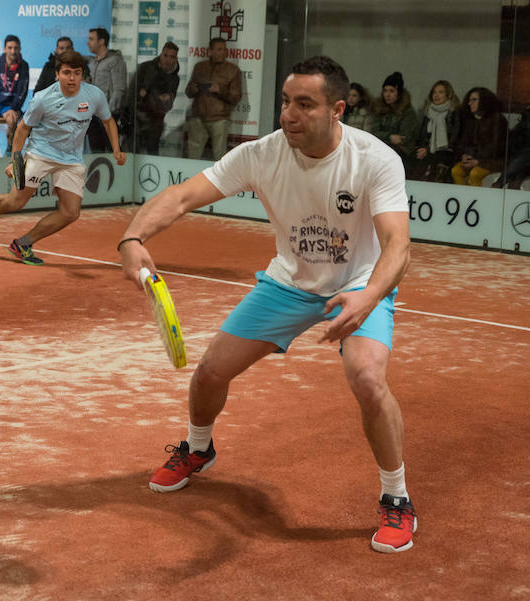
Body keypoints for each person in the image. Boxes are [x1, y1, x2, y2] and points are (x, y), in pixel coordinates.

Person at [118, 56, 416, 554]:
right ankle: (198, 449)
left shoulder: (376, 159)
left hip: (360, 283)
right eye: (284, 101)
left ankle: (397, 497)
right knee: (211, 372)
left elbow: (398, 246)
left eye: (304, 104)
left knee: (367, 378)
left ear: (338, 109)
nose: (288, 114)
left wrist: (368, 297)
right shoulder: (262, 154)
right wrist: (133, 236)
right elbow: (183, 196)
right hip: (289, 284)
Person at [0, 50, 126, 265]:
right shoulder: (43, 99)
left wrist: (116, 149)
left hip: (71, 160)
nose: (72, 78)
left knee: (71, 212)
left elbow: (108, 121)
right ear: (57, 74)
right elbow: (22, 129)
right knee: (15, 202)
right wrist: (14, 161)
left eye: (77, 73)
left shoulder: (94, 95)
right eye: (67, 73)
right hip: (40, 154)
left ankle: (23, 244)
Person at [184, 38, 242, 160]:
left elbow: (236, 96)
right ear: (210, 51)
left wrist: (220, 90)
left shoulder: (233, 70)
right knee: (192, 156)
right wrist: (193, 89)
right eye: (219, 49)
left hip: (220, 119)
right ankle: (192, 179)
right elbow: (188, 92)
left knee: (220, 158)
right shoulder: (199, 67)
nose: (223, 52)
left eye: (225, 49)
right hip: (198, 118)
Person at [127, 41, 180, 155]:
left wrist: (164, 98)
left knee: (152, 153)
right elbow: (132, 92)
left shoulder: (175, 78)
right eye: (165, 55)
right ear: (160, 54)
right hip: (136, 117)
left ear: (176, 59)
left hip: (155, 121)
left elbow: (168, 104)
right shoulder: (146, 67)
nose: (167, 59)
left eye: (171, 57)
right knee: (131, 153)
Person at [450, 87, 507, 186]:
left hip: (492, 161)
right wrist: (464, 155)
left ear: (484, 101)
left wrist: (478, 161)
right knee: (456, 171)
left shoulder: (498, 120)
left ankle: (477, 200)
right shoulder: (470, 121)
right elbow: (463, 143)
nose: (469, 103)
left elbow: (496, 147)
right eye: (469, 100)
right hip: (474, 159)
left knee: (475, 174)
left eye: (474, 100)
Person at [0, 35, 29, 151]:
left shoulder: (23, 66)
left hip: (10, 106)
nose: (13, 51)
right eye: (10, 48)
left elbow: (22, 91)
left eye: (16, 48)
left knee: (12, 120)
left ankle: (10, 148)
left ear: (20, 49)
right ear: (4, 49)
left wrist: (14, 108)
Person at [86, 27, 127, 152]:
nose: (88, 42)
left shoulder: (115, 60)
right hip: (93, 115)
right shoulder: (93, 62)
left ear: (102, 41)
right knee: (96, 151)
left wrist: (108, 113)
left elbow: (119, 89)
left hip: (108, 116)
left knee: (111, 151)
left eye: (91, 39)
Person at [493, 87, 530, 189]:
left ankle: (500, 182)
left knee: (528, 154)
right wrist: (529, 112)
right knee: (516, 178)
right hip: (529, 158)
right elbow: (521, 133)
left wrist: (529, 113)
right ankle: (504, 185)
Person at [411, 80, 460, 182]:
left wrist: (428, 150)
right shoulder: (428, 113)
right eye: (434, 92)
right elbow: (421, 136)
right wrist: (423, 148)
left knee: (435, 160)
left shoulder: (454, 113)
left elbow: (454, 139)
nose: (436, 95)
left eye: (441, 92)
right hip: (429, 151)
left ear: (448, 95)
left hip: (446, 152)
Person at [369, 71, 419, 165]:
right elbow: (373, 132)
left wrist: (383, 137)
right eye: (385, 91)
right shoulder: (379, 108)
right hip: (382, 147)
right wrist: (390, 137)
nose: (387, 95)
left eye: (391, 91)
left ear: (399, 93)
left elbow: (403, 138)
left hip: (403, 151)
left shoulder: (408, 112)